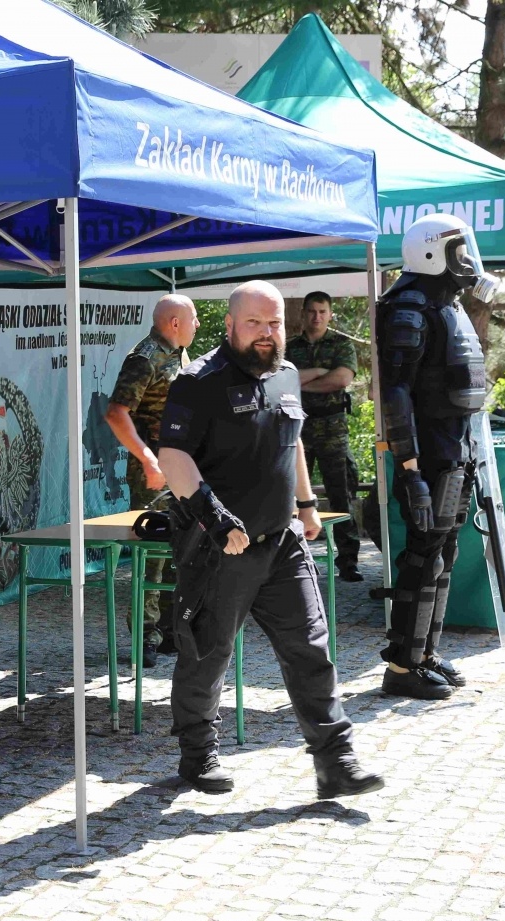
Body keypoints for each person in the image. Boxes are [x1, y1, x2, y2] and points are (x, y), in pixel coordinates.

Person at [157, 281, 383, 800]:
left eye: (274, 322)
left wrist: (306, 505)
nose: (266, 333)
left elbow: (292, 440)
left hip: (282, 542)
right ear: (230, 325)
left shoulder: (286, 374)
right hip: (220, 547)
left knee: (310, 649)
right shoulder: (197, 381)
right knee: (207, 654)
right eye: (254, 323)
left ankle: (335, 761)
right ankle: (197, 754)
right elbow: (173, 455)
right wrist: (215, 518)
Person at [375, 213, 502, 700]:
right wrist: (410, 471)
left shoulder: (444, 303)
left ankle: (425, 653)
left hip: (456, 447)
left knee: (443, 551)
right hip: (428, 453)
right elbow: (395, 395)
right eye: (459, 250)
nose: (467, 260)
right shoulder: (408, 306)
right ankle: (402, 666)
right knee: (423, 553)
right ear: (433, 252)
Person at [106, 294, 198, 667]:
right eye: (193, 318)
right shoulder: (143, 359)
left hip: (184, 468)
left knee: (183, 550)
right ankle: (144, 636)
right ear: (175, 323)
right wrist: (147, 460)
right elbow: (116, 413)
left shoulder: (180, 354)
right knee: (152, 554)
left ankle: (172, 631)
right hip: (155, 474)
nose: (197, 324)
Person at [286, 291, 363, 583]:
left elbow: (341, 379)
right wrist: (320, 372)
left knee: (342, 495)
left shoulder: (341, 344)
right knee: (293, 495)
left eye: (322, 311)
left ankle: (349, 561)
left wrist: (300, 382)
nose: (316, 317)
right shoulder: (289, 348)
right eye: (311, 311)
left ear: (330, 314)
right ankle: (295, 557)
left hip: (333, 429)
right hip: (298, 429)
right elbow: (281, 379)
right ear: (303, 314)